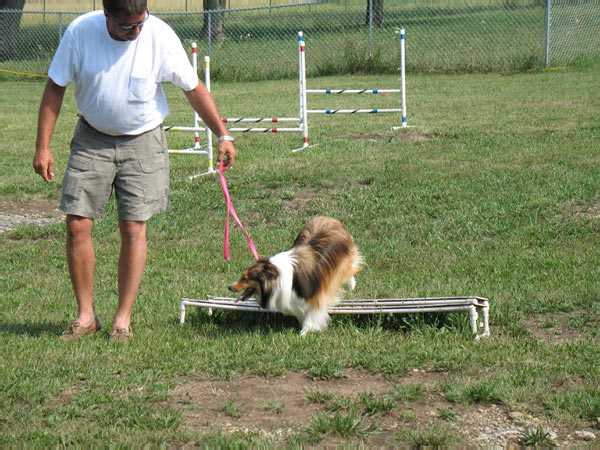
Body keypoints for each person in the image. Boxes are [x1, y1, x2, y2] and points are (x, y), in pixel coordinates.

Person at [33, 0, 236, 342]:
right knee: (77, 223)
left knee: (133, 227)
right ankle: (86, 317)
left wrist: (223, 134)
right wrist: (43, 145)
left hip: (143, 140)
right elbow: (56, 86)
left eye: (140, 23)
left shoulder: (159, 35)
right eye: (127, 26)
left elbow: (193, 88)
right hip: (91, 138)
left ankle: (122, 320)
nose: (136, 31)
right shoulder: (80, 32)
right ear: (106, 15)